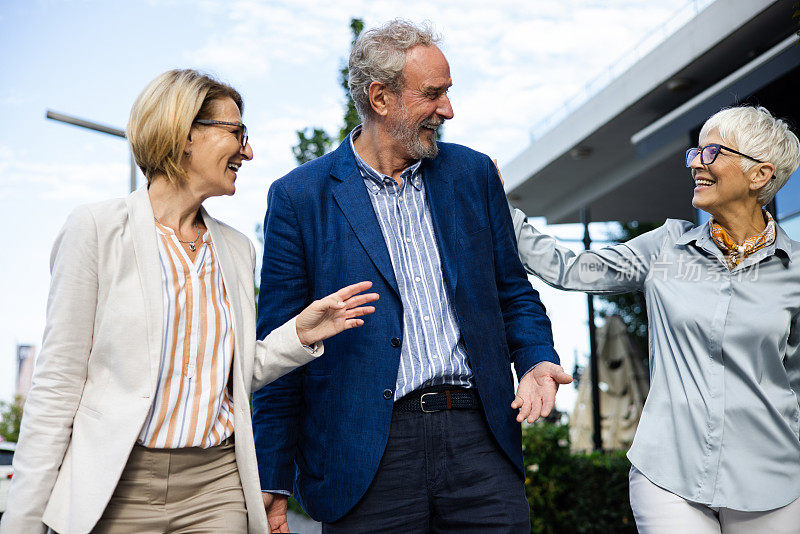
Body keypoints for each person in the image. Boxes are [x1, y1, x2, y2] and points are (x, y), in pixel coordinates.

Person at [0, 69, 378, 534]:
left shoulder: (238, 250)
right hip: (118, 485)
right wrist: (21, 523)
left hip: (215, 486)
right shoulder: (95, 230)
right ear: (183, 135)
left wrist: (298, 335)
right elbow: (57, 384)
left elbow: (228, 373)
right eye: (237, 133)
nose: (248, 150)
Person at [252, 19, 572, 533]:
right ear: (380, 97)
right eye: (433, 94)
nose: (448, 110)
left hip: (479, 441)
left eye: (448, 93)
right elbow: (280, 349)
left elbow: (513, 293)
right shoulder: (298, 198)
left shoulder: (474, 175)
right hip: (363, 459)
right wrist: (273, 478)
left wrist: (536, 359)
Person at [509, 105, 800, 533]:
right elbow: (569, 269)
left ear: (760, 175)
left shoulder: (795, 271)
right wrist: (499, 207)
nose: (697, 163)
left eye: (714, 152)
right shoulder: (666, 247)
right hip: (668, 475)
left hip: (771, 481)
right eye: (696, 152)